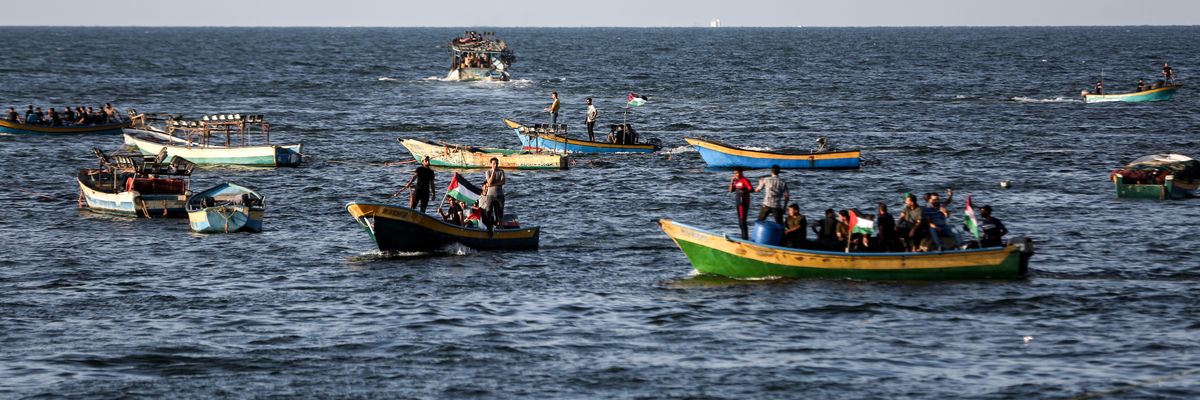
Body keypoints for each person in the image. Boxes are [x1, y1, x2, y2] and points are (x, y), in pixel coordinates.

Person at [480, 157, 506, 234]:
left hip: (500, 195)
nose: (496, 165)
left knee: (500, 212)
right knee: (489, 212)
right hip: (490, 195)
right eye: (494, 163)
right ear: (491, 164)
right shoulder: (488, 172)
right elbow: (489, 182)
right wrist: (493, 172)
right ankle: (489, 228)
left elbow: (503, 182)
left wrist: (493, 184)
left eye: (497, 163)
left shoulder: (501, 171)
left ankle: (500, 229)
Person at [729, 166, 753, 240]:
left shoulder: (745, 180)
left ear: (741, 172)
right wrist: (731, 181)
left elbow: (751, 189)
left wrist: (743, 191)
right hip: (738, 202)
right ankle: (744, 237)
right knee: (740, 221)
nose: (736, 175)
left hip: (744, 203)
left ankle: (745, 238)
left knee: (743, 221)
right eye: (734, 173)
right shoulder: (736, 181)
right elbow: (731, 190)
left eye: (737, 173)